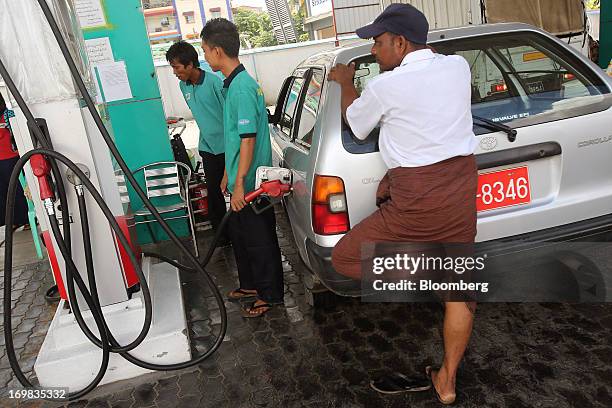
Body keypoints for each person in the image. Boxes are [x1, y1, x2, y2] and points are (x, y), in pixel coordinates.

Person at [328, 4, 478, 405]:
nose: (374, 50)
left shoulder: (384, 87)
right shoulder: (459, 68)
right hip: (461, 192)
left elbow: (355, 122)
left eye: (378, 42)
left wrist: (346, 82)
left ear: (400, 41)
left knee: (344, 258)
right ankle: (446, 381)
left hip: (418, 199)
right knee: (459, 293)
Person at [200, 19, 284, 317]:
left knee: (260, 240)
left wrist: (239, 185)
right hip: (239, 180)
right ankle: (250, 285)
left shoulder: (241, 89)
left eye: (206, 51)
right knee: (243, 237)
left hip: (251, 186)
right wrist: (226, 174)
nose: (205, 57)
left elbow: (248, 141)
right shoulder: (234, 84)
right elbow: (235, 137)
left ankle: (270, 294)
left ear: (218, 51)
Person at [166, 41, 229, 246]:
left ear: (190, 64)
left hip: (228, 147)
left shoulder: (215, 83)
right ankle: (222, 237)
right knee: (213, 193)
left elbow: (230, 116)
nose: (175, 72)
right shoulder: (182, 85)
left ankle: (241, 231)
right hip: (208, 146)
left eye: (177, 67)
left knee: (235, 189)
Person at [0, 92, 28, 229]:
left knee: (16, 189)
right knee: (4, 192)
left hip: (11, 158)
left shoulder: (8, 114)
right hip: (1, 160)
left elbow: (17, 133)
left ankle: (27, 219)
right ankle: (12, 220)